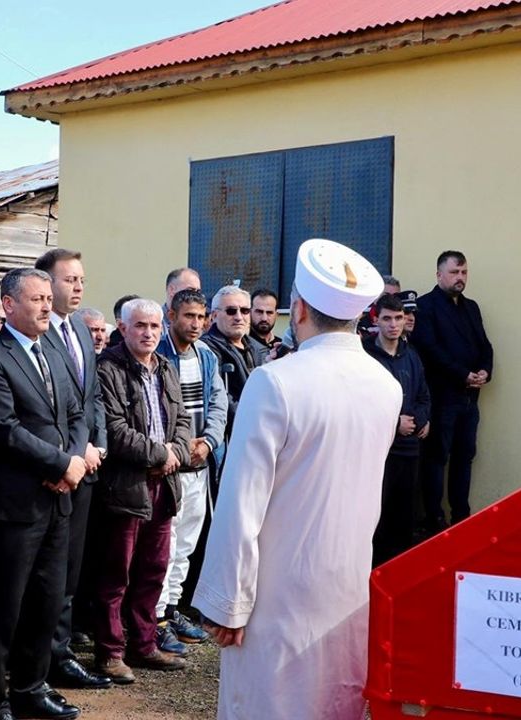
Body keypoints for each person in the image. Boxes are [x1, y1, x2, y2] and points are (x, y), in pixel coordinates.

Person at [197, 238, 402, 720]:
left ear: (301, 308)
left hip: (277, 586)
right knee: (336, 697)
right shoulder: (387, 385)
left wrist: (228, 602)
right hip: (347, 582)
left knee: (269, 701)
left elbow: (242, 501)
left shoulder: (275, 381)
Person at [0, 268, 88, 720]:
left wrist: (71, 462)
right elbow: (4, 428)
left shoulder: (52, 349)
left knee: (47, 601)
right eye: (36, 299)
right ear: (8, 304)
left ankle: (31, 687)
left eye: (47, 299)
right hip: (16, 505)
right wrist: (59, 465)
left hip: (58, 500)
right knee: (4, 607)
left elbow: (76, 413)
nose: (45, 306)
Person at [92, 299, 193, 683]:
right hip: (126, 486)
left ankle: (145, 644)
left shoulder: (165, 367)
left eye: (154, 326)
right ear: (123, 328)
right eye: (140, 326)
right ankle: (110, 652)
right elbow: (114, 430)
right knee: (115, 574)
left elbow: (182, 420)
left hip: (164, 484)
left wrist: (176, 453)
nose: (148, 333)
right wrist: (161, 454)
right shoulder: (108, 369)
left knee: (153, 570)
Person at [34, 249, 112, 692]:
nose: (79, 286)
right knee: (44, 575)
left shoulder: (80, 331)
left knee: (70, 570)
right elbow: (45, 410)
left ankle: (60, 654)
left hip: (84, 467)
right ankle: (37, 660)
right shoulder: (36, 332)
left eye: (81, 279)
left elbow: (91, 397)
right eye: (69, 279)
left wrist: (95, 444)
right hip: (51, 471)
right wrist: (70, 454)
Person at [153, 289, 226, 654]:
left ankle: (171, 610)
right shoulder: (157, 354)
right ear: (171, 316)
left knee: (185, 548)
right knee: (162, 550)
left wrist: (209, 442)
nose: (196, 324)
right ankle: (155, 620)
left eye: (201, 317)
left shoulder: (207, 356)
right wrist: (180, 449)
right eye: (188, 316)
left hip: (198, 467)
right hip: (168, 468)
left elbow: (218, 403)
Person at [410, 251, 493, 530]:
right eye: (454, 272)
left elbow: (485, 345)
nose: (460, 277)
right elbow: (431, 351)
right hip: (442, 398)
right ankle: (434, 519)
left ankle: (461, 518)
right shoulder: (425, 307)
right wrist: (462, 374)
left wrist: (485, 370)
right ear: (439, 275)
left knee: (464, 457)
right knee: (436, 459)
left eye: (464, 272)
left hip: (470, 400)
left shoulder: (471, 307)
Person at [363, 294, 431, 563]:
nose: (393, 324)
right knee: (376, 514)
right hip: (378, 452)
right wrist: (394, 423)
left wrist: (422, 420)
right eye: (387, 318)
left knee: (405, 515)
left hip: (409, 449)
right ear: (376, 321)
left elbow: (423, 395)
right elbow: (359, 402)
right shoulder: (365, 356)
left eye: (398, 318)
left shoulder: (411, 355)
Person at [201, 285, 267, 437]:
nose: (239, 317)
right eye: (231, 311)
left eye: (245, 311)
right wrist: (255, 422)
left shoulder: (259, 348)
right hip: (227, 436)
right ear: (214, 315)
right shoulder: (206, 348)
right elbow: (220, 397)